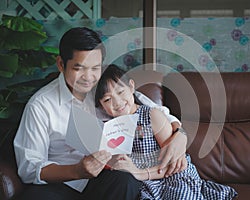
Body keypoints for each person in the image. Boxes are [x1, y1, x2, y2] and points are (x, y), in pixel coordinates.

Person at [13, 27, 187, 200]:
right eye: (79, 68)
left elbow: (151, 110)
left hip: (106, 178)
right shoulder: (40, 105)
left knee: (126, 180)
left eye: (95, 68)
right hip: (63, 182)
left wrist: (180, 134)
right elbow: (29, 167)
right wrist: (76, 171)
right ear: (61, 64)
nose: (88, 77)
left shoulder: (107, 88)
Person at [95, 64, 238, 200]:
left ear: (131, 86)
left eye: (121, 92)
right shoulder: (109, 128)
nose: (117, 102)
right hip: (145, 183)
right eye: (107, 99)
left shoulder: (151, 115)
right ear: (101, 106)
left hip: (172, 177)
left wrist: (140, 174)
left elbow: (175, 163)